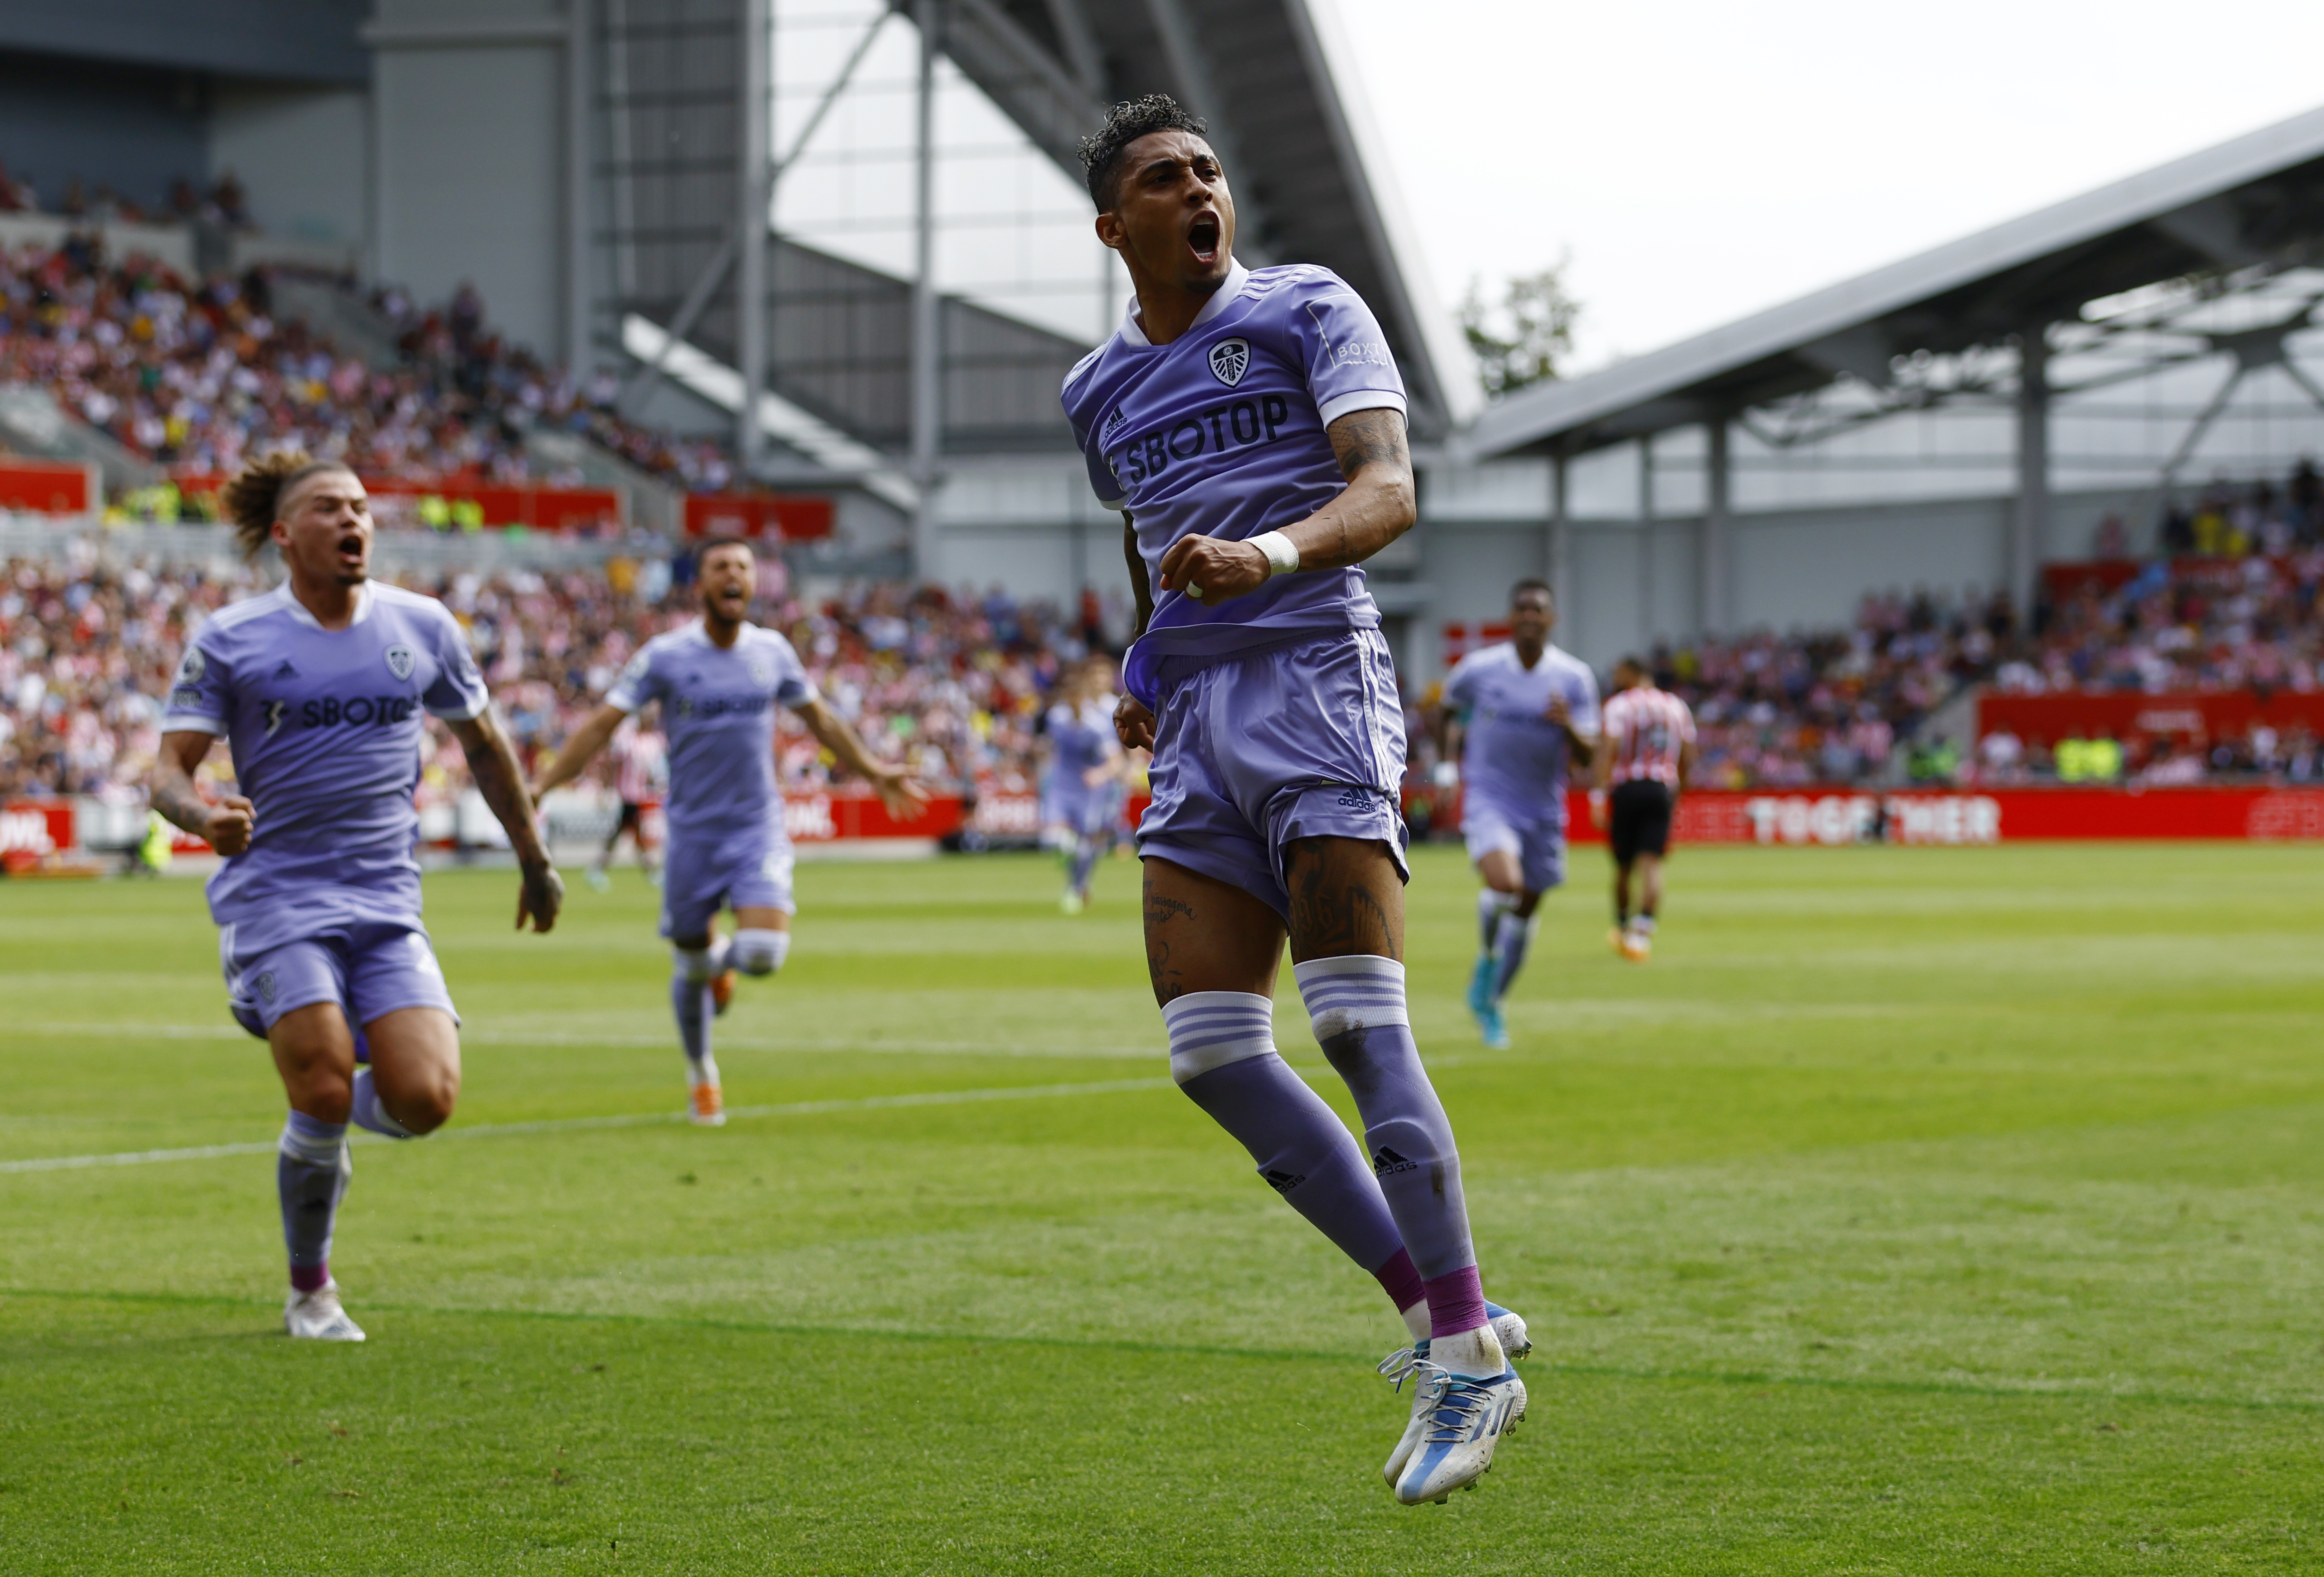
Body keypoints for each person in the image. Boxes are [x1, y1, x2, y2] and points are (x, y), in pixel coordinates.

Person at [1063, 95, 1528, 1507]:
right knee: (1211, 1056)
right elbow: (1147, 548)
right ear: (1114, 224)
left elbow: (1385, 489)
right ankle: (1440, 1317)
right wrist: (1143, 666)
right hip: (1194, 727)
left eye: (1208, 167)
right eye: (1165, 177)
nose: (1201, 188)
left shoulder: (1306, 305)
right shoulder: (1093, 391)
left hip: (1318, 680)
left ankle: (1469, 1364)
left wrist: (1264, 555)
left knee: (1352, 1026)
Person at [151, 454, 562, 1343]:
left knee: (426, 1099)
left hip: (385, 900)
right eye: (330, 509)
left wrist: (534, 859)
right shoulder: (232, 636)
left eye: (363, 508)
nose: (353, 522)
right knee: (326, 1080)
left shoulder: (424, 626)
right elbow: (167, 768)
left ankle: (324, 1118)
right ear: (286, 535)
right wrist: (198, 813)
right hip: (277, 896)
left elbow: (486, 746)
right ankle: (312, 1291)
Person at [530, 538, 925, 1125]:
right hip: (690, 833)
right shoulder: (665, 655)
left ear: (753, 583)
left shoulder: (772, 651)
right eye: (721, 567)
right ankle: (701, 1076)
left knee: (764, 953)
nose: (733, 575)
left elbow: (819, 719)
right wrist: (541, 787)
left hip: (755, 827)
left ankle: (724, 963)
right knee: (689, 965)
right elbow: (600, 726)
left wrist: (872, 771)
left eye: (743, 567)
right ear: (702, 584)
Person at [1437, 580, 1597, 1049]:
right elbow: (1447, 710)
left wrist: (1568, 724)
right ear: (1512, 617)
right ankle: (1486, 958)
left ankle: (1492, 1002)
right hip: (1490, 798)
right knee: (1505, 884)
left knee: (1526, 913)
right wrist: (1448, 766)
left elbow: (1590, 755)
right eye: (1523, 608)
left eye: (1539, 609)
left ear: (1553, 619)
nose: (1530, 615)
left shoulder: (1573, 678)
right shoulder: (1481, 668)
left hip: (1544, 808)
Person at [1592, 656, 1697, 961]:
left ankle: (1623, 928)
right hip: (1661, 787)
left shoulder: (1619, 705)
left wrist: (1598, 795)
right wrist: (1678, 792)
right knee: (1652, 864)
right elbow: (1689, 755)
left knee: (1623, 866)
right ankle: (1642, 932)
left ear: (1632, 674)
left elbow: (1608, 749)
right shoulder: (1676, 706)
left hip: (1627, 787)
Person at [1043, 656, 1128, 913]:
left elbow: (1117, 756)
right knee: (1054, 840)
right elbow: (1052, 748)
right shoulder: (1056, 717)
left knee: (1091, 843)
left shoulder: (1101, 720)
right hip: (1062, 786)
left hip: (1095, 790)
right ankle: (1076, 882)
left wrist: (1104, 775)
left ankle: (1078, 887)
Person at [585, 717, 666, 892]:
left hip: (638, 795)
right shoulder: (627, 741)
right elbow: (613, 765)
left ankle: (600, 869)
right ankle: (649, 872)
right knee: (632, 834)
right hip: (628, 795)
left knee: (631, 834)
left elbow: (649, 771)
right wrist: (606, 790)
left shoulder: (649, 741)